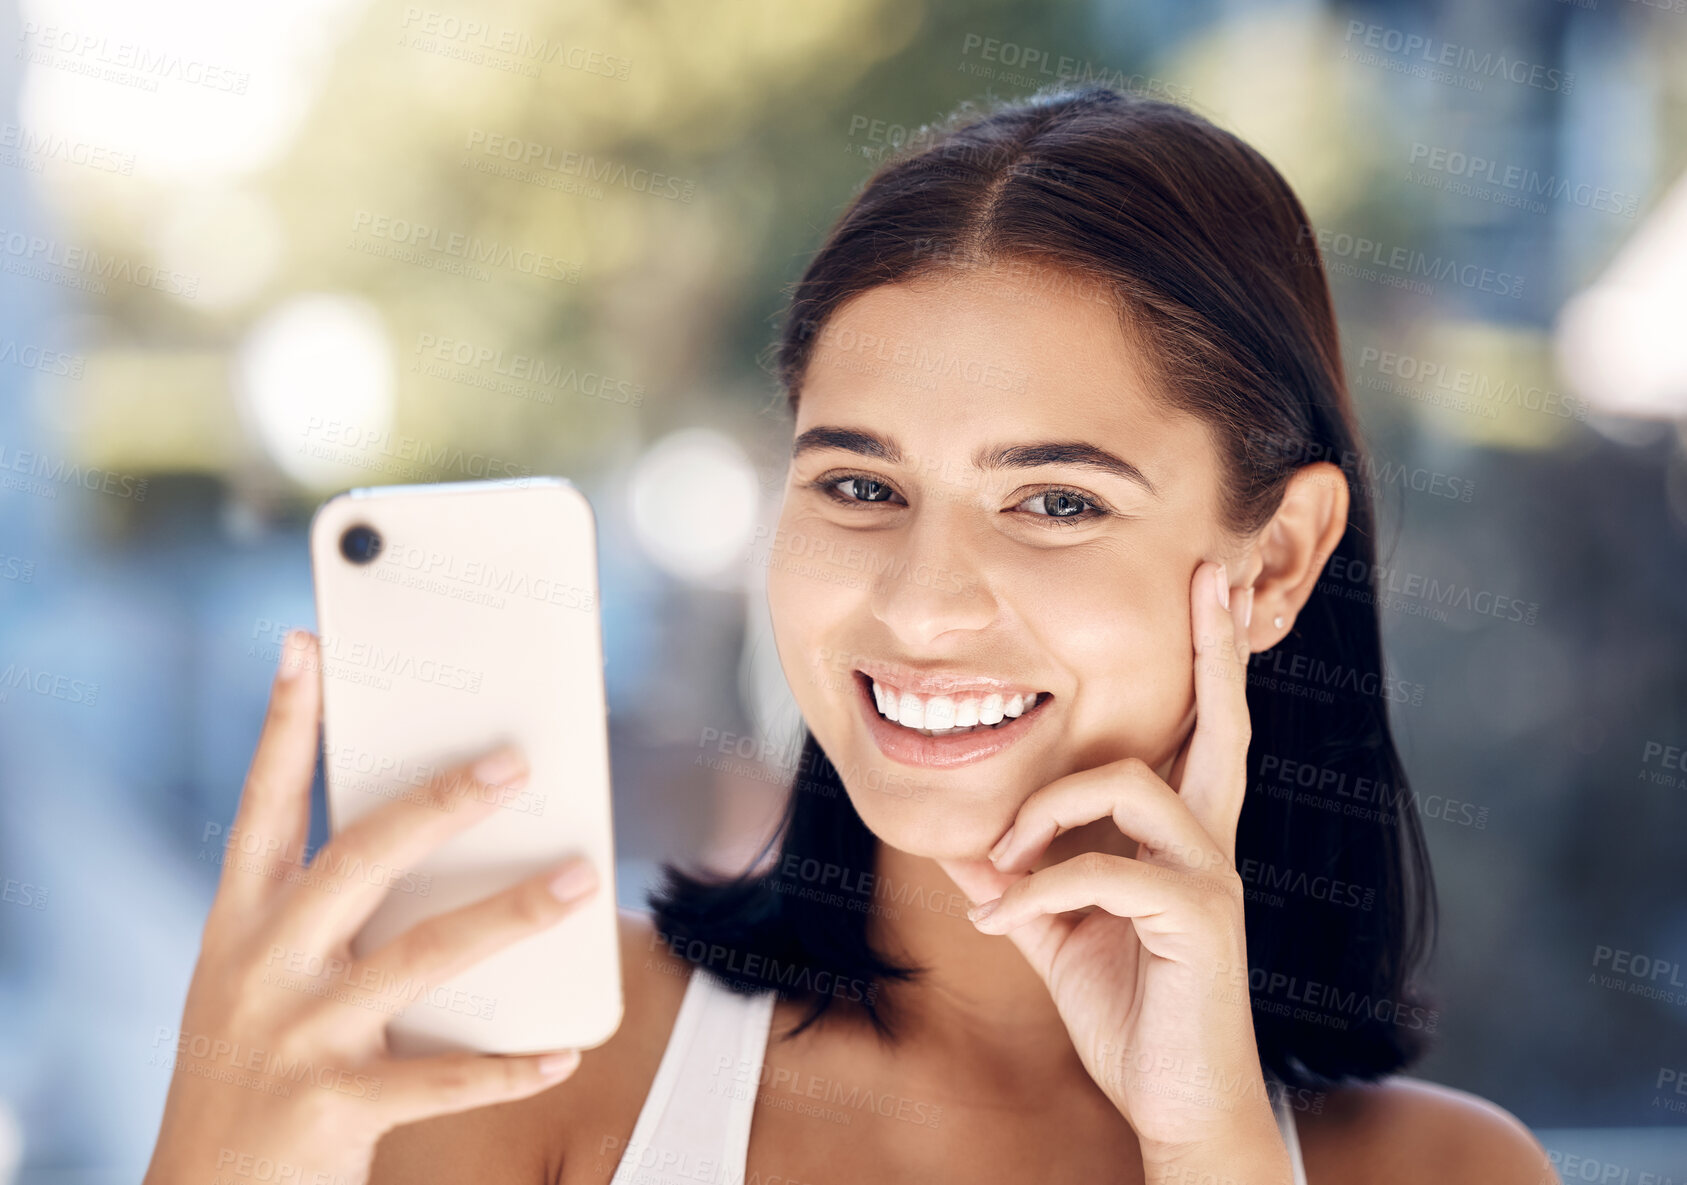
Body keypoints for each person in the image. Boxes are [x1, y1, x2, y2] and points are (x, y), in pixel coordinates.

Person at [144, 86, 1557, 1184]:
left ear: (1276, 561)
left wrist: (1209, 1149)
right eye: (860, 484)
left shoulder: (1446, 1170)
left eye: (1055, 499)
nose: (922, 602)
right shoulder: (530, 1066)